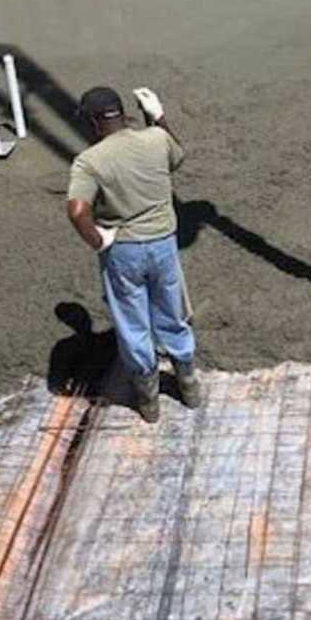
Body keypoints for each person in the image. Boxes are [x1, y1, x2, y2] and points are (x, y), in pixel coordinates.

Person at [66, 85, 200, 422]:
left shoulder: (89, 161)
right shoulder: (155, 139)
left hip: (123, 250)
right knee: (172, 311)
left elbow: (76, 210)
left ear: (95, 123)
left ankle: (148, 399)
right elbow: (177, 156)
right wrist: (158, 117)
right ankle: (187, 383)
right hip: (163, 243)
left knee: (132, 322)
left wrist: (98, 240)